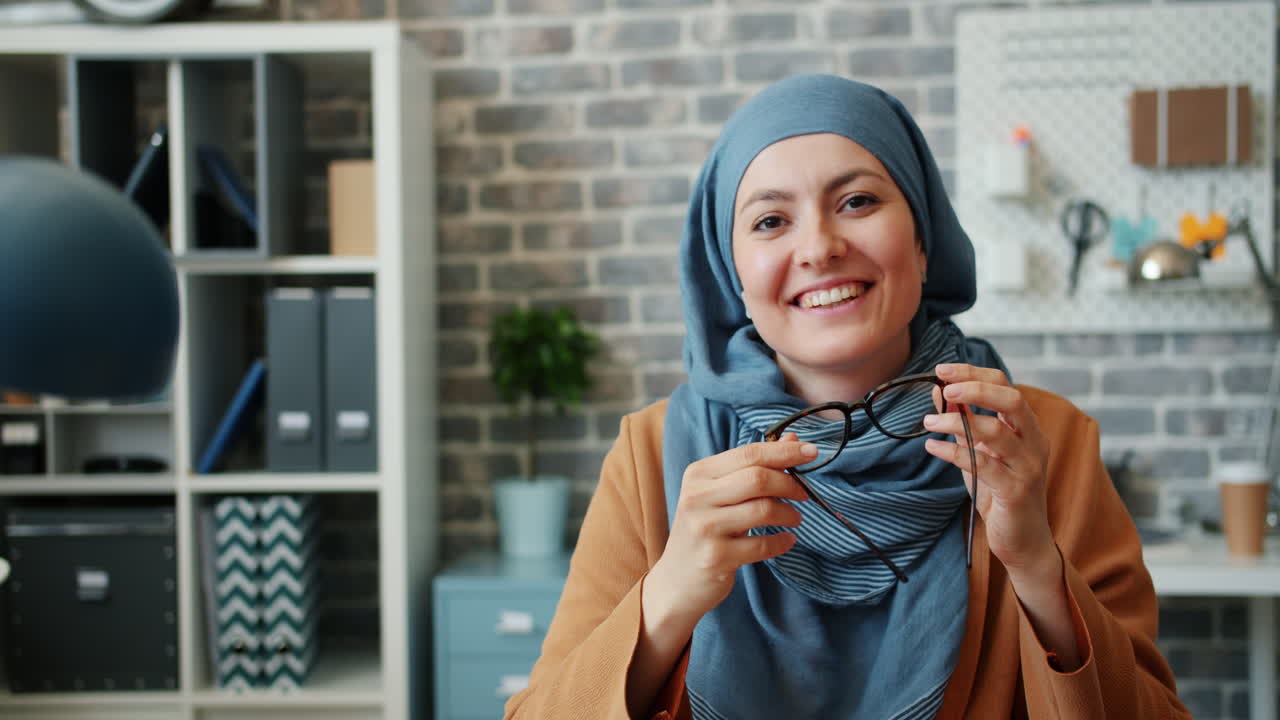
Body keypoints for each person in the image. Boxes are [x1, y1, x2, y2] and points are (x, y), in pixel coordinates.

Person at [502, 74, 1190, 719]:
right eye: (771, 221)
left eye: (857, 201)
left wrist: (1039, 569)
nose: (820, 248)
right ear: (731, 271)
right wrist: (668, 596)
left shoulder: (1040, 443)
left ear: (923, 241)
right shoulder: (652, 457)